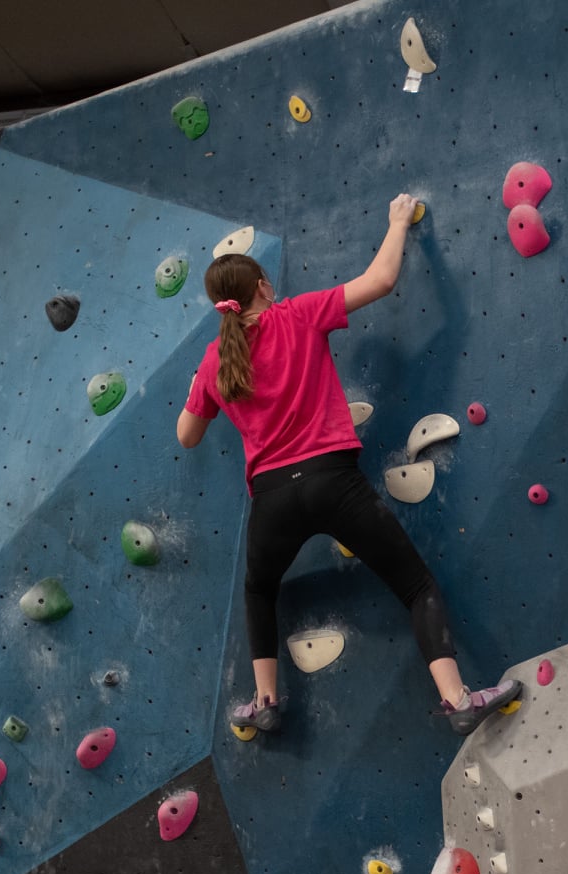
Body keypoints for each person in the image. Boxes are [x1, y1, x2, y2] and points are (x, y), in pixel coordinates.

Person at [176, 193, 521, 738]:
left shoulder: (216, 360)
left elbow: (187, 435)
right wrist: (398, 221)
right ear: (263, 287)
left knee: (260, 590)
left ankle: (265, 701)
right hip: (332, 481)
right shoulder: (297, 314)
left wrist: (200, 381)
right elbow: (380, 280)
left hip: (271, 498)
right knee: (416, 586)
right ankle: (457, 699)